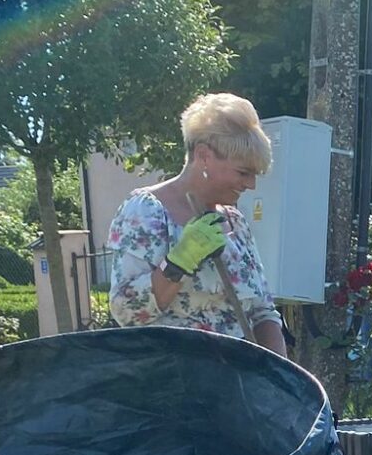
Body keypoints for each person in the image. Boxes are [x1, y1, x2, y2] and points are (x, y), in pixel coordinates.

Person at [105, 93, 289, 357]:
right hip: (173, 376)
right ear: (203, 156)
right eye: (243, 172)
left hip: (236, 378)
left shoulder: (235, 221)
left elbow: (262, 312)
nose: (251, 185)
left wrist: (281, 373)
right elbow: (126, 312)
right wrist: (177, 263)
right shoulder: (145, 211)